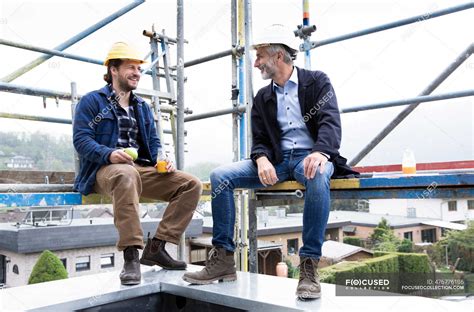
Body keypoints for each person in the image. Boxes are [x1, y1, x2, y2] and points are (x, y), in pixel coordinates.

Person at [182, 25, 358, 299]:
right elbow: (260, 138)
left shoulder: (317, 82)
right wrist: (261, 158)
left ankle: (309, 266)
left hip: (309, 158)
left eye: (260, 56)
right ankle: (224, 259)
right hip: (277, 161)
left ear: (278, 57)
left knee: (318, 173)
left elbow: (329, 122)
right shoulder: (263, 97)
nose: (256, 63)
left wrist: (321, 152)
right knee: (220, 176)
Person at [73, 42, 202, 286]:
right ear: (113, 70)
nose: (136, 73)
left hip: (137, 169)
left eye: (139, 69)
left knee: (191, 184)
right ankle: (131, 255)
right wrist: (109, 154)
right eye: (130, 67)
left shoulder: (141, 106)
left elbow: (153, 143)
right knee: (125, 174)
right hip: (105, 170)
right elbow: (81, 140)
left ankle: (157, 247)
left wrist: (161, 158)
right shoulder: (92, 101)